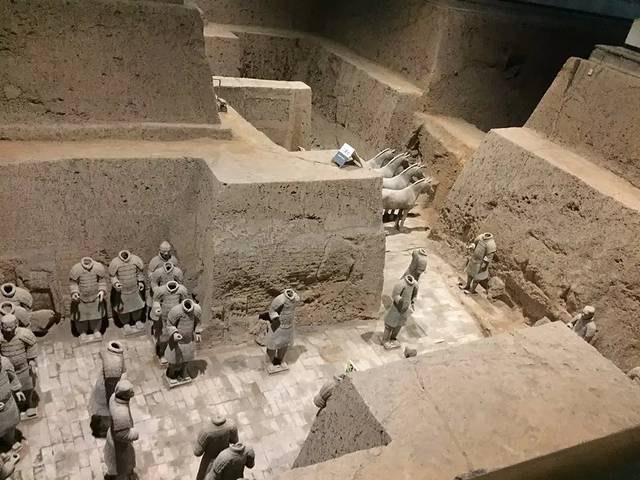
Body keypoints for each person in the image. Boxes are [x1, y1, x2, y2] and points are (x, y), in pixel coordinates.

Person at [0, 314, 38, 417]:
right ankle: (19, 405)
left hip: (24, 367)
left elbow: (32, 345)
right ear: (1, 326)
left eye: (11, 328)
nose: (8, 331)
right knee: (12, 389)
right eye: (5, 328)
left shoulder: (24, 334)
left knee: (28, 387)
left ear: (16, 324)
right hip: (8, 369)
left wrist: (31, 360)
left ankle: (29, 404)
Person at [104, 379, 138, 480]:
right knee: (122, 466)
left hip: (114, 436)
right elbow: (121, 435)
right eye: (130, 392)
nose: (132, 393)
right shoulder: (121, 414)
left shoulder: (113, 397)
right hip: (119, 446)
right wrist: (135, 434)